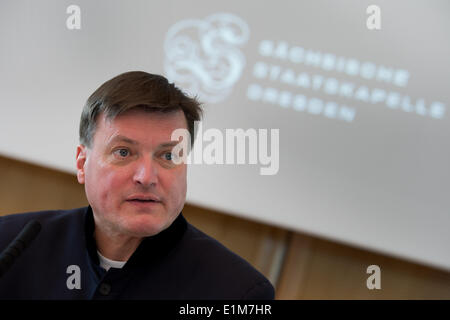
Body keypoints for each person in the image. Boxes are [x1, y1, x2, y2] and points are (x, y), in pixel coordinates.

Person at [0, 71, 275, 299]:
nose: (147, 176)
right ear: (82, 164)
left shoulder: (237, 292)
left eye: (168, 156)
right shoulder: (8, 244)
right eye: (123, 152)